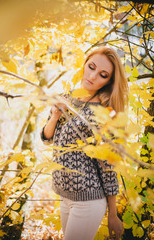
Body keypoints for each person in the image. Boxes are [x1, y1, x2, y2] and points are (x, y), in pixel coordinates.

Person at [41, 46, 128, 240]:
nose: (93, 76)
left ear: (109, 81)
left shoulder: (103, 113)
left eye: (103, 74)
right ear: (85, 64)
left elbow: (108, 167)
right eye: (91, 67)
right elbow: (48, 139)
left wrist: (112, 215)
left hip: (88, 200)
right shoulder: (66, 97)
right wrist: (55, 115)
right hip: (65, 196)